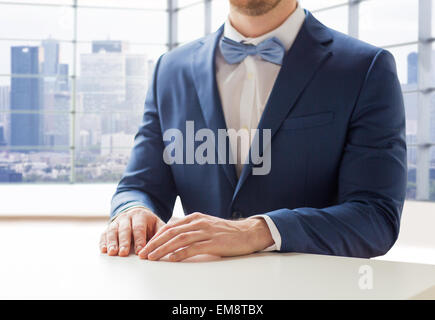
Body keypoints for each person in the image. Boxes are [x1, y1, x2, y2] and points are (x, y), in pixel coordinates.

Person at [99, 0, 407, 261]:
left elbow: (376, 217)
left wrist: (259, 231)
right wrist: (133, 210)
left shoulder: (364, 68)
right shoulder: (170, 69)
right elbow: (140, 186)